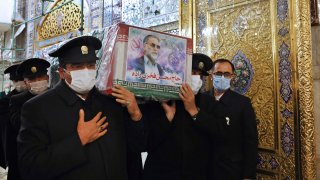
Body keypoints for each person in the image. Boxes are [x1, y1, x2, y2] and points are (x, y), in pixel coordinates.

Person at [17, 36, 145, 180]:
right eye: (77, 66)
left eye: (90, 65)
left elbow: (137, 148)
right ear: (62, 72)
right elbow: (30, 167)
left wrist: (136, 115)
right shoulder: (38, 108)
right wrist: (79, 140)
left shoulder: (111, 101)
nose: (86, 71)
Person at [141, 53, 214, 180]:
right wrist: (167, 118)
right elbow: (145, 143)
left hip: (195, 174)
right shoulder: (160, 100)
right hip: (160, 173)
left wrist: (194, 111)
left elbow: (215, 134)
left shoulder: (208, 102)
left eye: (199, 74)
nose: (196, 77)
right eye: (192, 72)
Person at [200, 58, 258, 179]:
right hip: (203, 168)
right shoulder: (201, 99)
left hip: (230, 170)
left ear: (232, 76)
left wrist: (248, 175)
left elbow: (250, 142)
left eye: (226, 74)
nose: (222, 77)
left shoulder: (242, 104)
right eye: (218, 73)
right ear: (211, 76)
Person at [8, 58, 50, 180]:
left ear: (47, 78)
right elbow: (16, 124)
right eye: (32, 79)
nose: (37, 82)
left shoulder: (57, 95)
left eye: (40, 77)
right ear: (26, 82)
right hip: (29, 157)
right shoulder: (17, 100)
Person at [0, 63, 27, 171]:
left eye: (20, 79)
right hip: (13, 149)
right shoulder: (5, 101)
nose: (19, 83)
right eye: (16, 81)